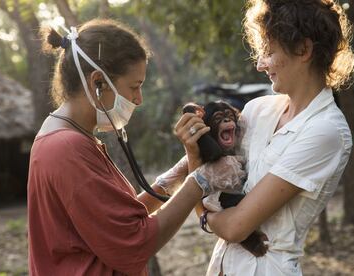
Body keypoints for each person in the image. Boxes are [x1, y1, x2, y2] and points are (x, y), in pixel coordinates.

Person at [27, 19, 246, 276]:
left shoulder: (63, 135)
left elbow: (113, 224)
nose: (138, 100)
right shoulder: (68, 148)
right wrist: (201, 180)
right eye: (135, 86)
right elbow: (135, 243)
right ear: (98, 82)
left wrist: (176, 175)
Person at [184, 0, 354, 275]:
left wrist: (205, 215)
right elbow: (209, 190)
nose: (261, 65)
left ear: (303, 49)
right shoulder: (256, 110)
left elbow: (235, 226)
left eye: (269, 51)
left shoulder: (326, 131)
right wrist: (194, 150)